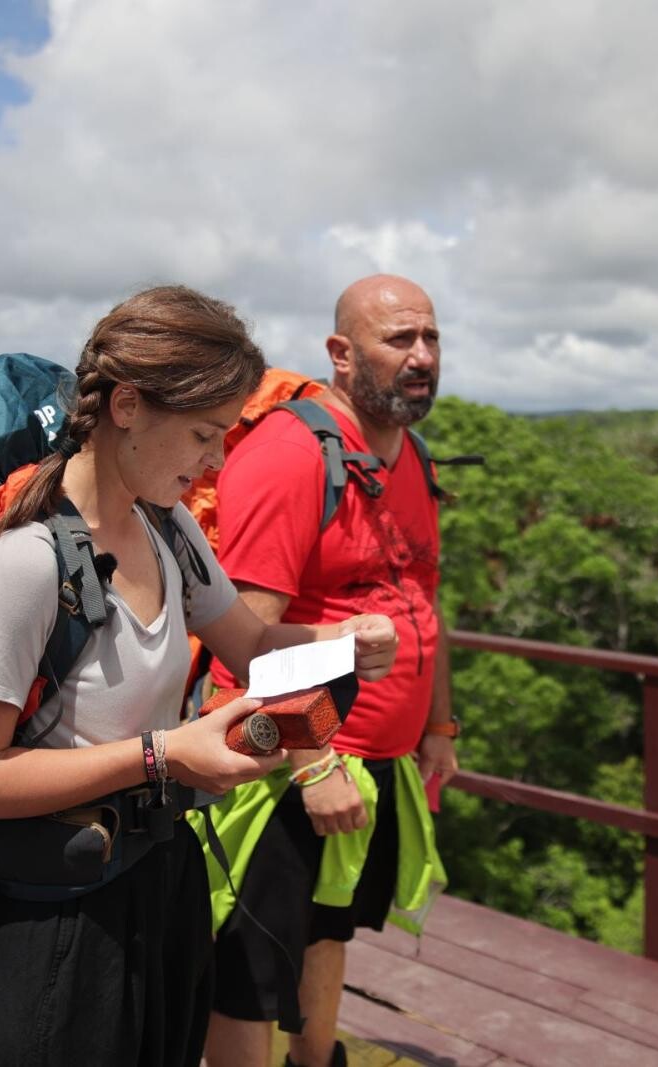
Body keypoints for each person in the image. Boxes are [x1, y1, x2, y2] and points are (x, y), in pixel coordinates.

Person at [0, 285, 399, 1067]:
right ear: (126, 407)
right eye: (205, 434)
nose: (218, 461)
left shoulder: (167, 527)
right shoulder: (22, 560)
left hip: (162, 881)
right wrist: (164, 754)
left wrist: (341, 642)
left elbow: (250, 646)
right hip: (57, 920)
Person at [203, 275, 457, 1067]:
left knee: (326, 925)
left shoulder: (409, 453)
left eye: (431, 338)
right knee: (248, 961)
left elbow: (422, 596)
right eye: (399, 339)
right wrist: (315, 765)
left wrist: (438, 724)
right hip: (283, 759)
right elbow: (240, 640)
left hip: (377, 763)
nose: (422, 356)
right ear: (341, 355)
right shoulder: (290, 454)